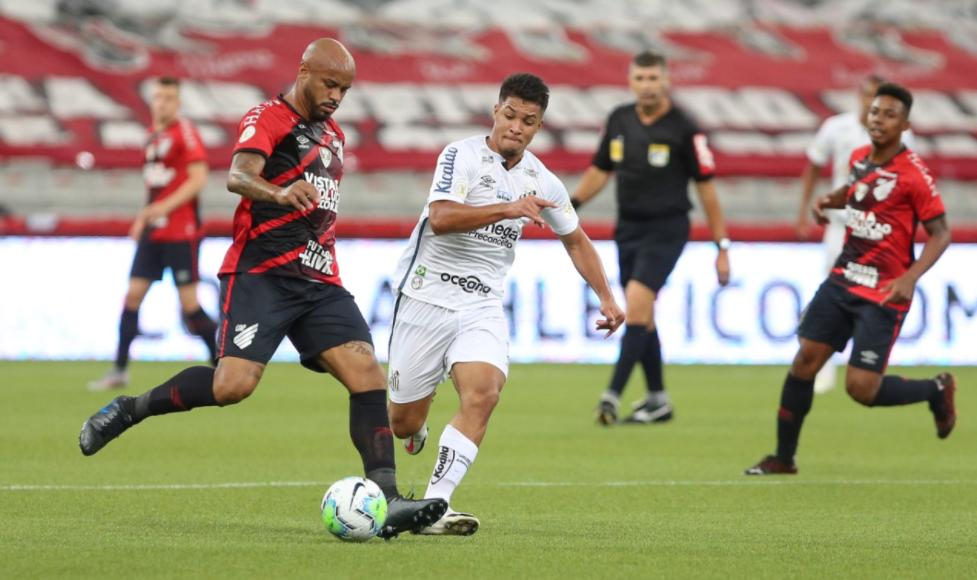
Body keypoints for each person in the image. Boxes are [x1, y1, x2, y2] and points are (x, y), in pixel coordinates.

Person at [78, 39, 447, 538]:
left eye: (346, 88)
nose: (338, 95)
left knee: (366, 374)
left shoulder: (334, 134)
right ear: (304, 72)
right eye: (330, 83)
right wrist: (279, 191)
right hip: (261, 274)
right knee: (232, 386)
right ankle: (129, 409)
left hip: (318, 279)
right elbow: (237, 175)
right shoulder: (269, 117)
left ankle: (388, 499)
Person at [386, 73, 625, 535]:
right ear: (496, 111)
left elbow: (575, 240)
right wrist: (508, 208)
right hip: (424, 297)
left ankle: (435, 505)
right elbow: (440, 218)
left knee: (484, 394)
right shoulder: (461, 155)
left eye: (528, 121)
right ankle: (418, 426)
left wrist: (607, 297)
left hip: (481, 305)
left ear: (539, 127)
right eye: (510, 115)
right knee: (402, 422)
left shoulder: (543, 181)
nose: (516, 126)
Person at [744, 83, 956, 476]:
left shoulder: (915, 176)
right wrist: (829, 199)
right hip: (843, 277)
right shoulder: (859, 157)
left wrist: (910, 277)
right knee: (805, 359)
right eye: (875, 112)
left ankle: (935, 390)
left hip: (883, 291)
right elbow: (859, 190)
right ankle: (783, 458)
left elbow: (941, 232)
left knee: (861, 389)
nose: (878, 120)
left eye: (889, 115)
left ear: (905, 125)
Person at [569, 50, 730, 425]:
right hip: (628, 229)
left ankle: (611, 396)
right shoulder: (620, 118)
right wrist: (572, 203)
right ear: (630, 81)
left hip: (667, 229)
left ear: (666, 81)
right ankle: (658, 399)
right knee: (645, 315)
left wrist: (721, 247)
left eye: (653, 79)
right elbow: (601, 169)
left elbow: (706, 189)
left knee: (637, 304)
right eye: (639, 79)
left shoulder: (685, 129)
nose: (646, 86)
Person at [88, 76, 218, 391]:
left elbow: (198, 179)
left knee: (189, 305)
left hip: (181, 230)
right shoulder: (151, 135)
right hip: (154, 231)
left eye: (169, 97)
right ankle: (119, 370)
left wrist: (163, 209)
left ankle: (221, 363)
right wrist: (142, 218)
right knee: (132, 296)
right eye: (158, 97)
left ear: (178, 103)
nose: (162, 102)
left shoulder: (184, 133)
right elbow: (155, 189)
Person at [795, 75, 916, 394]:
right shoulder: (836, 127)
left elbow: (910, 181)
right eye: (866, 95)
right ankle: (823, 367)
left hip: (880, 234)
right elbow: (813, 165)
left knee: (876, 298)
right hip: (842, 227)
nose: (870, 103)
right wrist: (803, 208)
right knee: (830, 290)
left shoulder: (904, 135)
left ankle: (869, 360)